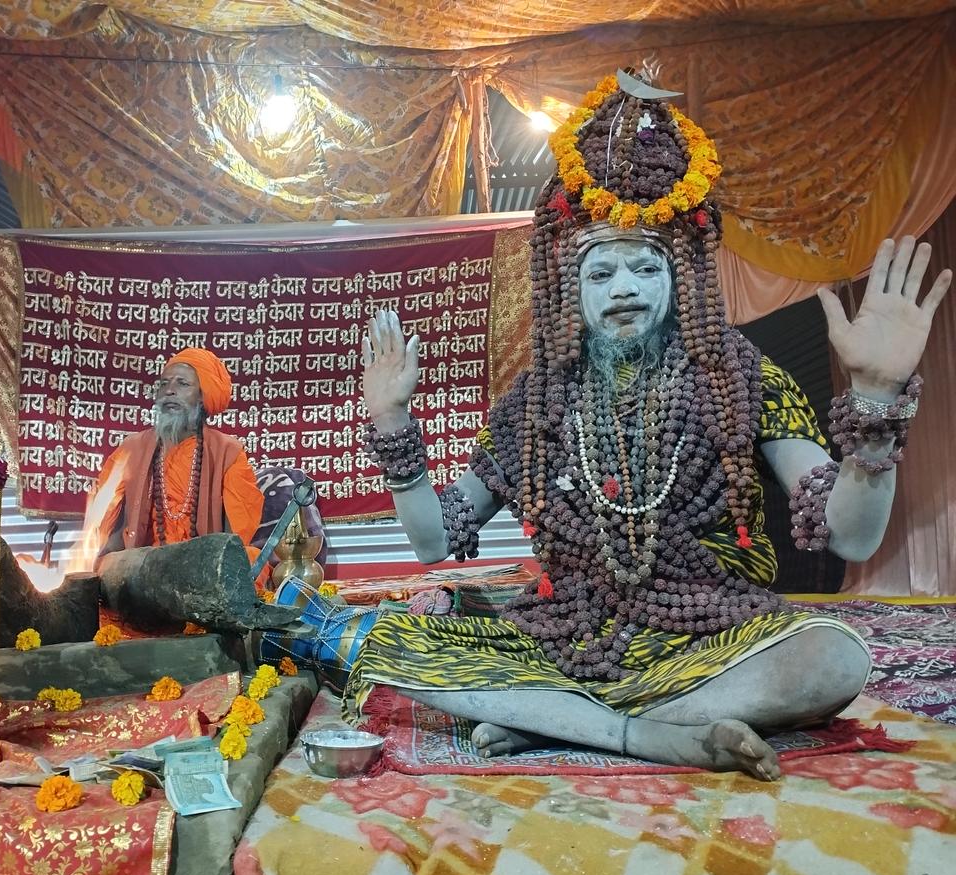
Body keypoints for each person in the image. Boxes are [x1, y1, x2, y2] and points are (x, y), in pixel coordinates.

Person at [349, 72, 950, 780]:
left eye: (644, 267)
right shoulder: (534, 401)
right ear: (571, 289)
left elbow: (849, 532)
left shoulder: (740, 379)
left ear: (681, 279)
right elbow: (431, 539)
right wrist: (393, 423)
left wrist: (876, 406)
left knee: (835, 655)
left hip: (712, 630)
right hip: (566, 637)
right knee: (390, 645)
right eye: (601, 274)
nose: (625, 289)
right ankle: (652, 733)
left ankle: (565, 721)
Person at [81, 346, 265, 573]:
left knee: (250, 560)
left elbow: (234, 539)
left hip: (202, 567)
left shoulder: (228, 453)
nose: (169, 391)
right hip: (143, 569)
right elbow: (109, 527)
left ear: (203, 396)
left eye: (182, 384)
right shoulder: (131, 450)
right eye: (164, 384)